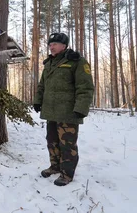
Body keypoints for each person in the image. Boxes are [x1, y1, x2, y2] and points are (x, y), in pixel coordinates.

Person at [33, 32, 94, 186]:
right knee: (52, 141)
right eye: (50, 44)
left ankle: (67, 174)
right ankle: (55, 167)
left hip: (68, 112)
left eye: (54, 44)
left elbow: (86, 87)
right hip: (51, 110)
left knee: (67, 144)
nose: (51, 47)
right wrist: (37, 101)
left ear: (64, 45)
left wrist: (81, 108)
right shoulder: (49, 64)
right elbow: (42, 86)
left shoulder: (77, 61)